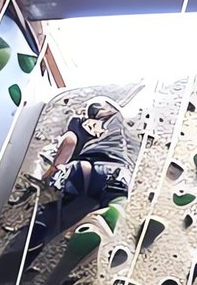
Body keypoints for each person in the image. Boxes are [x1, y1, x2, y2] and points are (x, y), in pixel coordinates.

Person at [35, 96, 134, 256]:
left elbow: (69, 142)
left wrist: (54, 172)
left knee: (76, 180)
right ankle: (105, 216)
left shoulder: (81, 129)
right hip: (117, 175)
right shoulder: (121, 135)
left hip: (85, 170)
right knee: (112, 198)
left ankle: (74, 224)